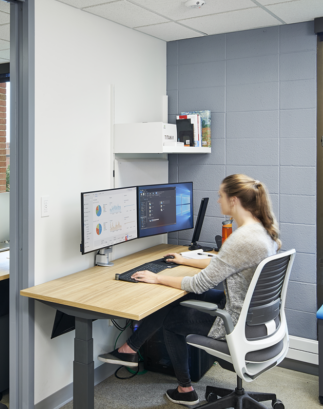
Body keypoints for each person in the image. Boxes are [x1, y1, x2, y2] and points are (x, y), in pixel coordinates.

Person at [98, 174, 281, 406]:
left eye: (220, 196)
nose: (218, 201)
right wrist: (183, 260)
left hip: (234, 319)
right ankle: (130, 348)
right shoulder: (261, 231)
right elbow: (223, 264)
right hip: (253, 315)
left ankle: (184, 389)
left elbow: (199, 284)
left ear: (233, 200)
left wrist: (157, 278)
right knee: (178, 301)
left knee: (172, 322)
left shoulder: (241, 239)